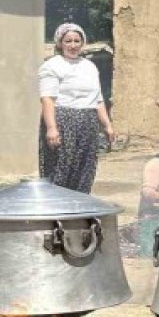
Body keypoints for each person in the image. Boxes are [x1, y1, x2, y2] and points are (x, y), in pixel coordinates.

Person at [39, 23, 115, 193]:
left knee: (85, 168)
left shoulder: (89, 67)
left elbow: (98, 99)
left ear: (82, 43)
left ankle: (80, 209)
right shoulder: (52, 65)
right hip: (63, 120)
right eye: (68, 41)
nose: (73, 45)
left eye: (76, 41)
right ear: (60, 43)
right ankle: (56, 211)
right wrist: (52, 128)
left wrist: (107, 125)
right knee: (61, 169)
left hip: (88, 122)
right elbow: (47, 99)